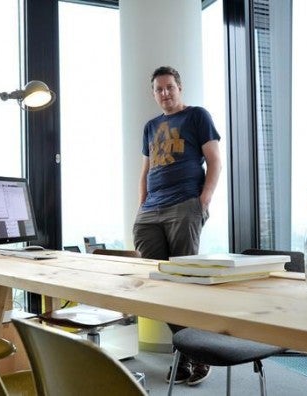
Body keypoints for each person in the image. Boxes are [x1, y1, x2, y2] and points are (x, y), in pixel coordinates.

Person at [133, 66, 222, 387]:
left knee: (184, 283)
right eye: (159, 89)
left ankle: (191, 355)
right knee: (157, 284)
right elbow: (145, 170)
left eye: (169, 87)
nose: (165, 93)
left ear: (179, 88)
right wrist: (141, 205)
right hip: (151, 210)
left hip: (185, 204)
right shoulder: (150, 126)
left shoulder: (197, 116)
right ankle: (193, 351)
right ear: (154, 93)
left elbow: (214, 159)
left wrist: (204, 200)